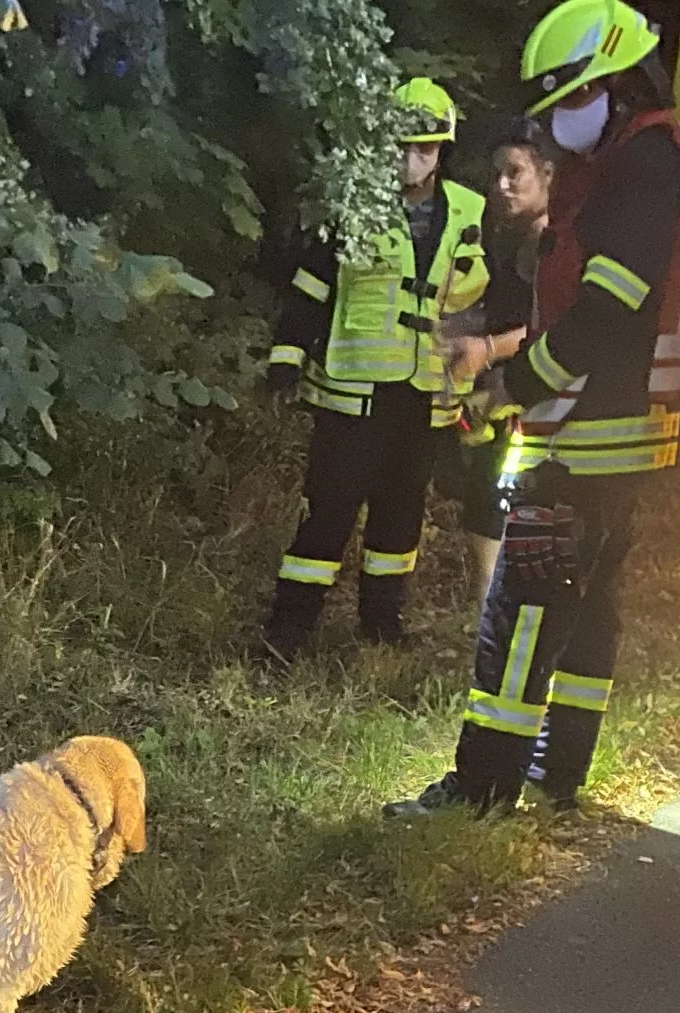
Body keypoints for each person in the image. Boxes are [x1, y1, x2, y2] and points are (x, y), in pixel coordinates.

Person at [389, 0, 680, 817]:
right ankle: (558, 774)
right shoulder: (640, 159)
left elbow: (606, 308)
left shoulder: (642, 166)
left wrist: (517, 387)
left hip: (584, 441)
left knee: (519, 610)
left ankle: (482, 788)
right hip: (613, 437)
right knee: (589, 610)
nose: (562, 121)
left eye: (572, 100)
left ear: (618, 83)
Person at [260, 77, 490, 665]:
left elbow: (480, 304)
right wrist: (288, 356)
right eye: (400, 147)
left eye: (425, 149)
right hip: (350, 395)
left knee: (400, 517)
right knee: (328, 514)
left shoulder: (470, 212)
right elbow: (312, 285)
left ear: (443, 151)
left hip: (424, 397)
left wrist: (485, 378)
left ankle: (381, 622)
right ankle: (288, 630)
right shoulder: (350, 209)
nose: (410, 161)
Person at [440, 125, 557, 612]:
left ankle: (504, 603)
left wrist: (486, 350)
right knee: (486, 489)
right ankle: (486, 601)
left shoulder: (548, 242)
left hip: (536, 391)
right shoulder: (512, 236)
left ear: (547, 174)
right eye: (496, 175)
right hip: (507, 390)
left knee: (506, 493)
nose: (501, 186)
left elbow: (548, 324)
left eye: (515, 174)